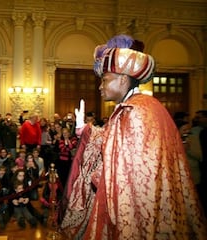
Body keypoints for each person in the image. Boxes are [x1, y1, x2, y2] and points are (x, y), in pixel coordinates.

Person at [59, 34, 206, 239]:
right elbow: (115, 143)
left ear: (122, 78)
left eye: (104, 79)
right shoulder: (137, 107)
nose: (100, 86)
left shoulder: (135, 111)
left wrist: (97, 174)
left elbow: (128, 172)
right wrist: (85, 129)